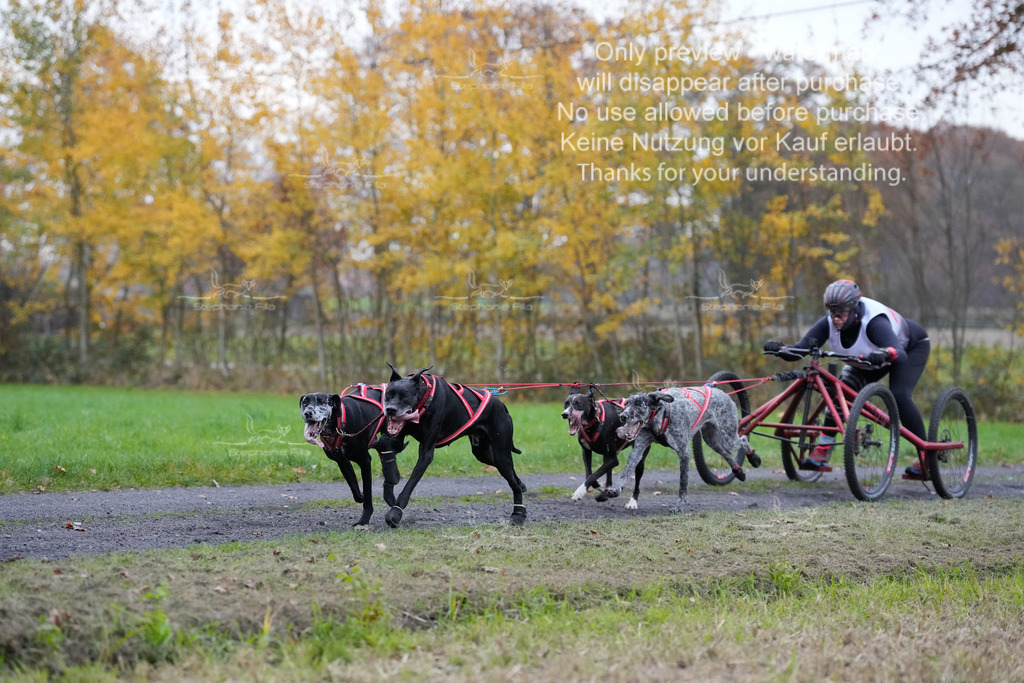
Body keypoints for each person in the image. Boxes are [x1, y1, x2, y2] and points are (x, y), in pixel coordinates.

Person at [763, 279, 931, 476]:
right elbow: (801, 349)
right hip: (868, 359)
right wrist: (781, 349)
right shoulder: (828, 322)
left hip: (909, 348)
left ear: (854, 309)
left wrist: (885, 352)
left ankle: (927, 454)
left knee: (900, 395)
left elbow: (899, 352)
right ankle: (822, 451)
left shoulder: (875, 323)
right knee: (839, 393)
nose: (835, 318)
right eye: (832, 312)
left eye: (841, 313)